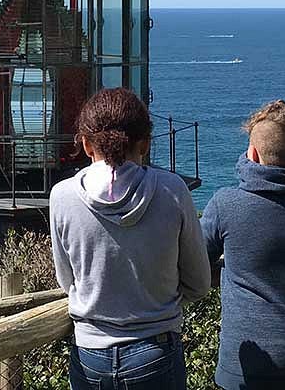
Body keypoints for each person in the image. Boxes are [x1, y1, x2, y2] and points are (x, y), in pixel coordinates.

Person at [49, 88, 211, 390]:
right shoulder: (173, 190)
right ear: (145, 142)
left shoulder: (62, 195)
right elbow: (199, 283)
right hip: (156, 350)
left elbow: (66, 279)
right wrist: (159, 305)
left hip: (90, 355)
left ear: (86, 144)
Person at [201, 99, 285, 389]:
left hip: (250, 365)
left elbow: (194, 258)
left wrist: (247, 165)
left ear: (251, 152)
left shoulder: (227, 203)